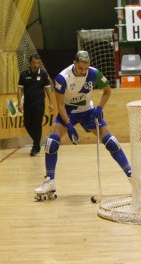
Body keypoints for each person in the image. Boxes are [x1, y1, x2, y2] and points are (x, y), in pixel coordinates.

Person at [34, 51, 131, 199]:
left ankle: (131, 176)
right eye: (80, 69)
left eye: (86, 69)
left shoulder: (94, 74)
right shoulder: (62, 78)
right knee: (51, 142)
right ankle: (49, 181)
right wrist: (69, 125)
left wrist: (99, 108)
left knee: (111, 142)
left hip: (88, 111)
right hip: (68, 111)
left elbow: (107, 91)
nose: (83, 72)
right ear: (74, 63)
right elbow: (59, 104)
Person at [18, 54, 54, 156]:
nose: (36, 65)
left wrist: (51, 103)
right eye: (34, 63)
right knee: (27, 123)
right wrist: (19, 102)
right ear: (30, 63)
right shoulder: (24, 74)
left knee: (37, 124)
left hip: (39, 103)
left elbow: (48, 89)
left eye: (38, 63)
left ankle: (35, 147)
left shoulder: (43, 74)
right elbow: (20, 89)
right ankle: (37, 143)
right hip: (27, 103)